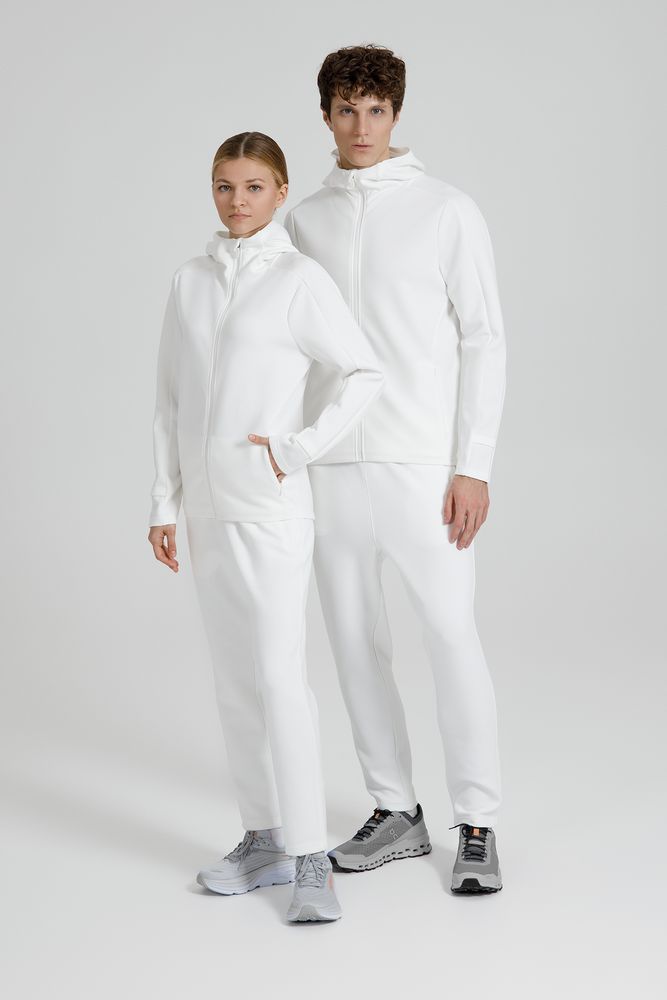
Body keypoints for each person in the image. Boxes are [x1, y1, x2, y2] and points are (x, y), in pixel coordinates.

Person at [284, 44, 506, 893]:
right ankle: (395, 810)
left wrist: (472, 464)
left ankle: (476, 820)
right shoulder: (304, 219)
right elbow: (288, 344)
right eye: (346, 109)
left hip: (421, 464)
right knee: (352, 643)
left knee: (450, 634)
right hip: (331, 465)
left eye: (374, 109)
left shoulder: (446, 209)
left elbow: (483, 337)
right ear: (325, 115)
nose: (360, 125)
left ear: (396, 114)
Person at [147, 131, 384, 922]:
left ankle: (310, 854)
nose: (237, 201)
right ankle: (262, 837)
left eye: (253, 187)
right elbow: (169, 399)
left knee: (281, 678)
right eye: (224, 186)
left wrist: (296, 448)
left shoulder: (298, 279)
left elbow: (363, 372)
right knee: (234, 682)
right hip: (207, 513)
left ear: (281, 193)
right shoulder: (189, 281)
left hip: (272, 509)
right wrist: (165, 502)